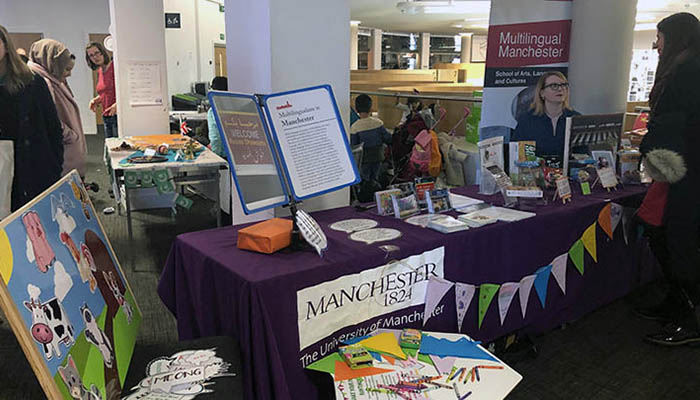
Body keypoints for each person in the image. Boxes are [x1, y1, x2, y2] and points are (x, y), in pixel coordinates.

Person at [634, 12, 700, 346]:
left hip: (684, 174)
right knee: (660, 229)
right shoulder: (687, 68)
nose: (656, 46)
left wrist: (647, 146)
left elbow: (673, 126)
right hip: (682, 171)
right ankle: (678, 301)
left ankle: (691, 317)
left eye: (658, 38)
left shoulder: (686, 72)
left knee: (677, 240)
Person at [0, 25, 63, 211]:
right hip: (2, 168)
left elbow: (53, 127)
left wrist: (54, 166)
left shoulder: (32, 81)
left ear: (5, 45)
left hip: (33, 165)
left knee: (32, 223)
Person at [28, 39, 87, 178]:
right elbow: (49, 121)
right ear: (52, 64)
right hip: (62, 157)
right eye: (66, 69)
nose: (69, 74)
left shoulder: (52, 78)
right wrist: (70, 136)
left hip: (66, 153)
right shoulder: (43, 83)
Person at [511, 71, 580, 161]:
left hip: (569, 173)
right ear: (542, 93)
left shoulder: (576, 118)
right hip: (537, 173)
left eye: (564, 85)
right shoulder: (527, 120)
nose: (560, 89)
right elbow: (520, 155)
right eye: (554, 86)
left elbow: (582, 154)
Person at [350, 94, 392, 185]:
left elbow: (354, 146)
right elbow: (387, 138)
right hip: (378, 156)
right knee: (375, 178)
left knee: (365, 180)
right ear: (370, 108)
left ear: (356, 109)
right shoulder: (378, 123)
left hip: (364, 159)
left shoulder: (354, 127)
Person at [85, 41, 117, 137]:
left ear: (102, 52)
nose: (95, 57)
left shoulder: (114, 67)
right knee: (110, 147)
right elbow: (106, 92)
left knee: (119, 148)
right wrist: (96, 100)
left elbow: (125, 90)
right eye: (91, 55)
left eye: (97, 53)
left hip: (117, 116)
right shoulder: (100, 71)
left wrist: (118, 104)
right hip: (106, 116)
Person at [207, 76, 227, 158]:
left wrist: (215, 155)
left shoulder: (213, 111)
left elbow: (216, 137)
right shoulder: (233, 107)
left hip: (221, 155)